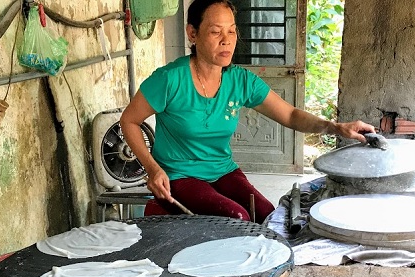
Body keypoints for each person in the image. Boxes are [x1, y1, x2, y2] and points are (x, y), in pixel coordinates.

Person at [120, 0, 375, 223]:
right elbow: (129, 121)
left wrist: (335, 127)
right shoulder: (169, 80)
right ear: (192, 34)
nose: (227, 40)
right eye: (215, 32)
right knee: (237, 217)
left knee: (266, 215)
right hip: (178, 176)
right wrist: (153, 169)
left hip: (222, 170)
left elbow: (289, 114)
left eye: (231, 31)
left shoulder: (241, 81)